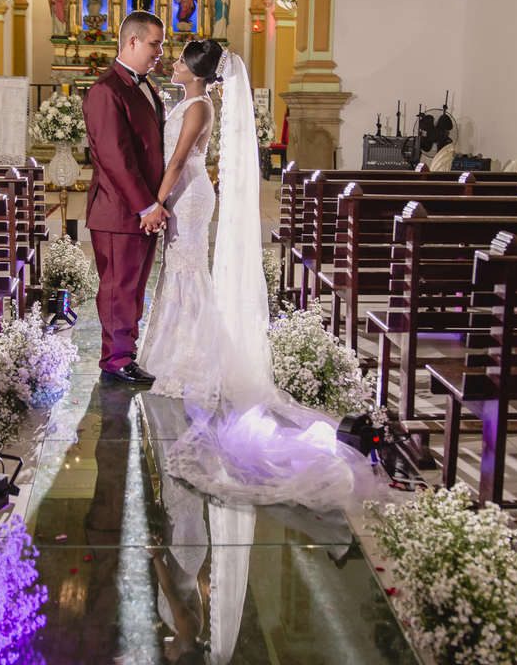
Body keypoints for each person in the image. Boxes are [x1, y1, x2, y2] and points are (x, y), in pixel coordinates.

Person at [136, 42, 385, 512]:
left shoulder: (198, 107)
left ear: (195, 70)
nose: (170, 63)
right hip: (182, 195)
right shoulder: (186, 100)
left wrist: (156, 202)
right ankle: (175, 347)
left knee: (188, 271)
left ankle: (194, 356)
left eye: (178, 59)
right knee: (179, 271)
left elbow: (176, 162)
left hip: (187, 197)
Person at [82, 11, 169, 384]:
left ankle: (126, 352)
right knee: (119, 289)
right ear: (132, 41)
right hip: (120, 212)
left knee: (133, 288)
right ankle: (116, 359)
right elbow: (116, 158)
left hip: (142, 210)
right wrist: (147, 206)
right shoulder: (106, 90)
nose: (160, 53)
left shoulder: (143, 86)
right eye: (155, 44)